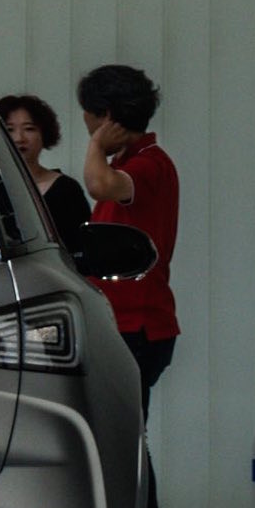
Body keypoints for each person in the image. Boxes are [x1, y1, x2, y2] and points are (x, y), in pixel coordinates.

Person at [71, 64, 179, 388]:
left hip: (138, 322)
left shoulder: (148, 164)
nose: (85, 123)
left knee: (123, 425)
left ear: (104, 117)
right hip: (121, 320)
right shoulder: (131, 162)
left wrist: (96, 146)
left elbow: (98, 185)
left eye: (88, 114)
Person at [0, 94, 95, 244]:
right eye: (9, 129)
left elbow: (82, 247)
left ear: (45, 134)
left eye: (29, 129)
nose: (19, 138)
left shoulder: (66, 189)